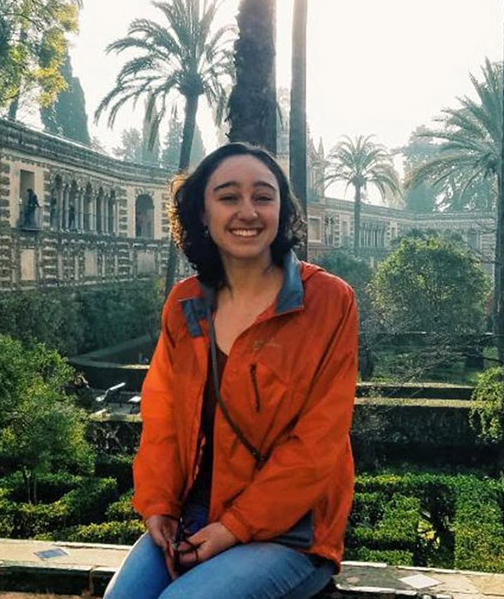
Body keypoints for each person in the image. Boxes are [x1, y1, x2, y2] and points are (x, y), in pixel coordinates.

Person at [104, 143, 358, 599]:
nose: (248, 211)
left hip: (291, 531)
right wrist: (159, 505)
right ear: (202, 212)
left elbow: (320, 440)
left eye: (263, 197)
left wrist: (234, 528)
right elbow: (161, 417)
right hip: (194, 515)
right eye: (228, 197)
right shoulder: (186, 304)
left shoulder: (328, 301)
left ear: (282, 209)